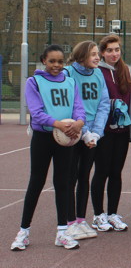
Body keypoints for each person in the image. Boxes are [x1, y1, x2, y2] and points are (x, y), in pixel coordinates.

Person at [11, 45, 85, 251]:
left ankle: (62, 232)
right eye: (52, 61)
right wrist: (59, 124)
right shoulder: (33, 82)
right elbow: (36, 111)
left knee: (62, 183)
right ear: (44, 61)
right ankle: (23, 232)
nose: (56, 65)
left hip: (66, 139)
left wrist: (79, 122)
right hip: (44, 137)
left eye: (60, 62)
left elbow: (78, 106)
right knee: (36, 182)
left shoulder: (70, 81)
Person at [64, 41, 110, 240]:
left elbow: (103, 104)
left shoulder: (99, 74)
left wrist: (96, 133)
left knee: (84, 177)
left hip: (91, 134)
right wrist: (81, 130)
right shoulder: (68, 73)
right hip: (73, 132)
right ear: (81, 55)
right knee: (69, 177)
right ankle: (68, 222)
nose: (97, 57)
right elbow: (68, 103)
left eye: (97, 54)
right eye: (93, 54)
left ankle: (81, 220)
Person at [91, 34, 131, 232]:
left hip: (122, 131)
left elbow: (130, 99)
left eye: (117, 49)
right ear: (102, 53)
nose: (114, 53)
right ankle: (98, 215)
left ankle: (112, 214)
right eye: (109, 50)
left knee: (116, 172)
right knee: (102, 172)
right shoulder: (97, 72)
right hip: (104, 131)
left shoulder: (124, 70)